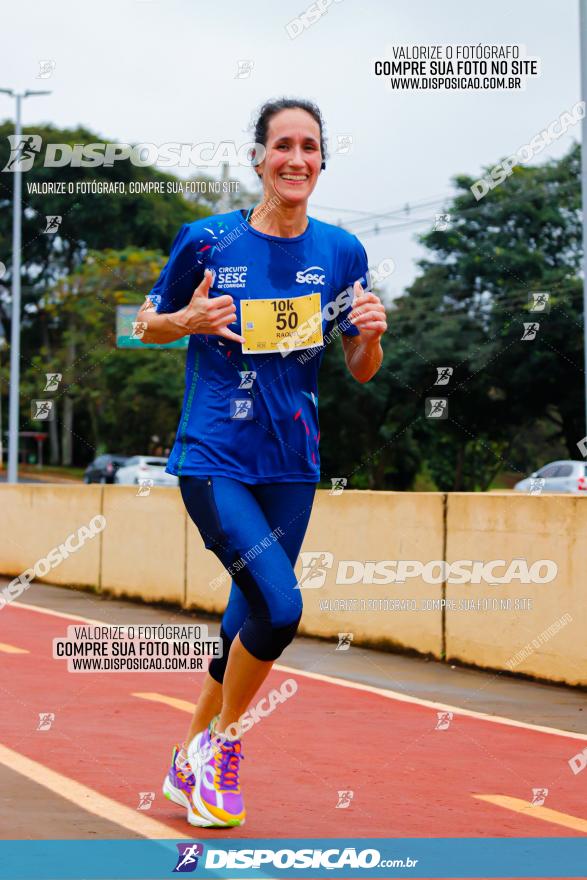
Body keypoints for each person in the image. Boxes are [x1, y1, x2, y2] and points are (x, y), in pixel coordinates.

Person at [136, 97, 387, 828]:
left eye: (309, 147)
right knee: (280, 606)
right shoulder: (207, 241)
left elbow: (359, 366)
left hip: (291, 465)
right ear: (258, 159)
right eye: (282, 145)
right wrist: (183, 320)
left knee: (242, 617)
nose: (296, 159)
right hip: (214, 454)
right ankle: (221, 744)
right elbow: (143, 324)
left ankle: (188, 756)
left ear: (321, 161)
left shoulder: (340, 252)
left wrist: (369, 336)